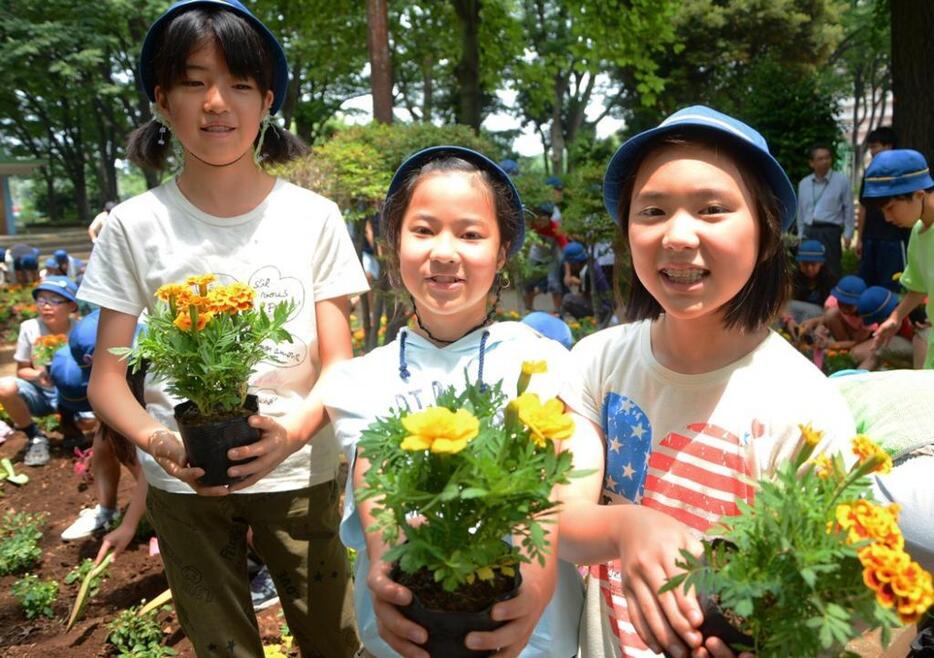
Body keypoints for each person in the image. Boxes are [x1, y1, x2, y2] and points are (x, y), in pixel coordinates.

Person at [76, 2, 367, 655]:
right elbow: (106, 379)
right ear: (162, 98)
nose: (216, 102)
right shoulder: (132, 225)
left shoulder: (313, 219)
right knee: (220, 646)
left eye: (238, 83)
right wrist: (159, 442)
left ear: (266, 102)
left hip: (301, 476)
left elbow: (340, 366)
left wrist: (289, 435)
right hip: (184, 483)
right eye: (193, 81)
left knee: (337, 638)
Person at [557, 106, 855, 658]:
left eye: (712, 209)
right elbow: (562, 519)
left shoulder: (809, 411)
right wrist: (628, 526)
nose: (677, 235)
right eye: (653, 210)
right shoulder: (596, 362)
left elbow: (821, 603)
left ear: (767, 235)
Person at [322, 146, 583, 658]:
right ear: (395, 243)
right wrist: (384, 559)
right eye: (423, 230)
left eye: (470, 234)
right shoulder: (360, 380)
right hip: (410, 633)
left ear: (503, 251)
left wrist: (538, 576)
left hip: (524, 635)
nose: (445, 252)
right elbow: (373, 479)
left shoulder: (545, 362)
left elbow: (561, 482)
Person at [861, 149, 934, 369]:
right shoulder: (918, 232)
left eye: (891, 208)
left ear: (919, 195)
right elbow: (920, 287)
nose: (887, 218)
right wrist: (896, 317)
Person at [0, 275, 79, 467]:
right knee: (4, 387)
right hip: (42, 393)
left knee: (90, 422)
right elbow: (22, 370)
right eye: (41, 299)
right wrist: (38, 375)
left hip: (74, 394)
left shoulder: (80, 329)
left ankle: (74, 431)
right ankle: (35, 437)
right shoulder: (30, 328)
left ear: (71, 306)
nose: (46, 305)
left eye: (54, 300)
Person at [856, 127, 911, 291]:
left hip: (893, 238)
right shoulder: (870, 173)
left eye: (875, 146)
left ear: (889, 146)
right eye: (871, 147)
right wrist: (860, 238)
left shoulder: (902, 173)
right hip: (870, 237)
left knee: (892, 285)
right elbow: (864, 206)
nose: (872, 151)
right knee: (867, 284)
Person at [796, 144, 855, 280]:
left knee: (831, 268)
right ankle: (808, 299)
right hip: (809, 231)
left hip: (830, 231)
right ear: (812, 163)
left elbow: (849, 208)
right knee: (808, 269)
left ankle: (830, 299)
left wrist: (848, 233)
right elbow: (801, 211)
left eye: (827, 158)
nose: (825, 161)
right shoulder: (804, 183)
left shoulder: (842, 181)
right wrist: (800, 233)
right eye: (820, 159)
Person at [851, 286, 914, 370]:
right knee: (857, 353)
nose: (878, 323)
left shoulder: (914, 313)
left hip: (922, 348)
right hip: (905, 343)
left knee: (881, 348)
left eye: (878, 320)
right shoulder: (897, 310)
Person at [523, 202, 568, 314]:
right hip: (535, 255)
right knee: (529, 282)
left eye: (543, 220)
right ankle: (529, 308)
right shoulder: (532, 224)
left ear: (549, 219)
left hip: (551, 258)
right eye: (538, 219)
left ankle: (558, 310)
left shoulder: (555, 229)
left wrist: (568, 272)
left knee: (554, 284)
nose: (540, 222)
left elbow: (565, 250)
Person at [785, 239, 835, 326]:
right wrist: (788, 319)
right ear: (799, 263)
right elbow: (781, 305)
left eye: (813, 264)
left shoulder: (830, 281)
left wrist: (814, 322)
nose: (809, 268)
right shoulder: (792, 279)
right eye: (805, 264)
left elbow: (834, 312)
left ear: (821, 263)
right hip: (794, 318)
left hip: (819, 321)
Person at [561, 241, 612, 322]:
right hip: (606, 303)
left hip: (603, 308)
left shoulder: (586, 273)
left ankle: (588, 321)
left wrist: (577, 283)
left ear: (575, 263)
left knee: (568, 300)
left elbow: (585, 296)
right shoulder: (592, 262)